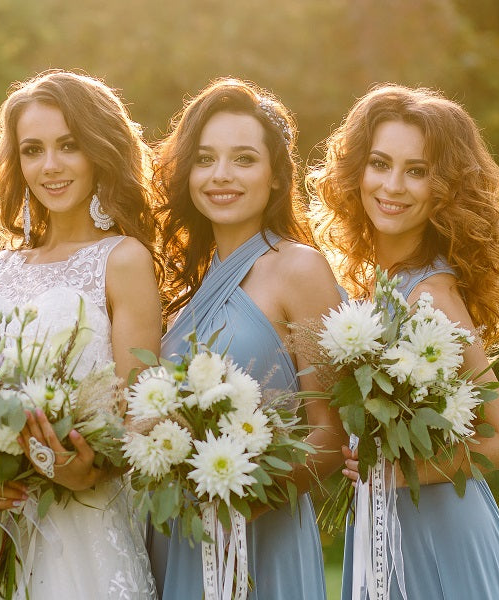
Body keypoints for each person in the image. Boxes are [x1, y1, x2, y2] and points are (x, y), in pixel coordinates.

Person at [0, 70, 161, 599]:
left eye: (69, 145)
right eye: (32, 149)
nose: (50, 166)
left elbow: (139, 413)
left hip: (79, 522)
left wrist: (85, 471)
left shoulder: (124, 260)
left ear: (99, 152)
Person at [307, 83, 499, 599]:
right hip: (382, 527)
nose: (392, 186)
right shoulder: (362, 283)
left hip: (443, 537)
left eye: (417, 171)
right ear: (356, 171)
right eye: (380, 163)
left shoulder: (429, 293)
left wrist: (397, 477)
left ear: (444, 187)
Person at [148, 78, 347, 600]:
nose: (220, 176)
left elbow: (333, 431)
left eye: (243, 159)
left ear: (277, 176)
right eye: (205, 159)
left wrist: (250, 490)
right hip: (179, 530)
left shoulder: (299, 269)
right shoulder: (182, 286)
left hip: (261, 529)